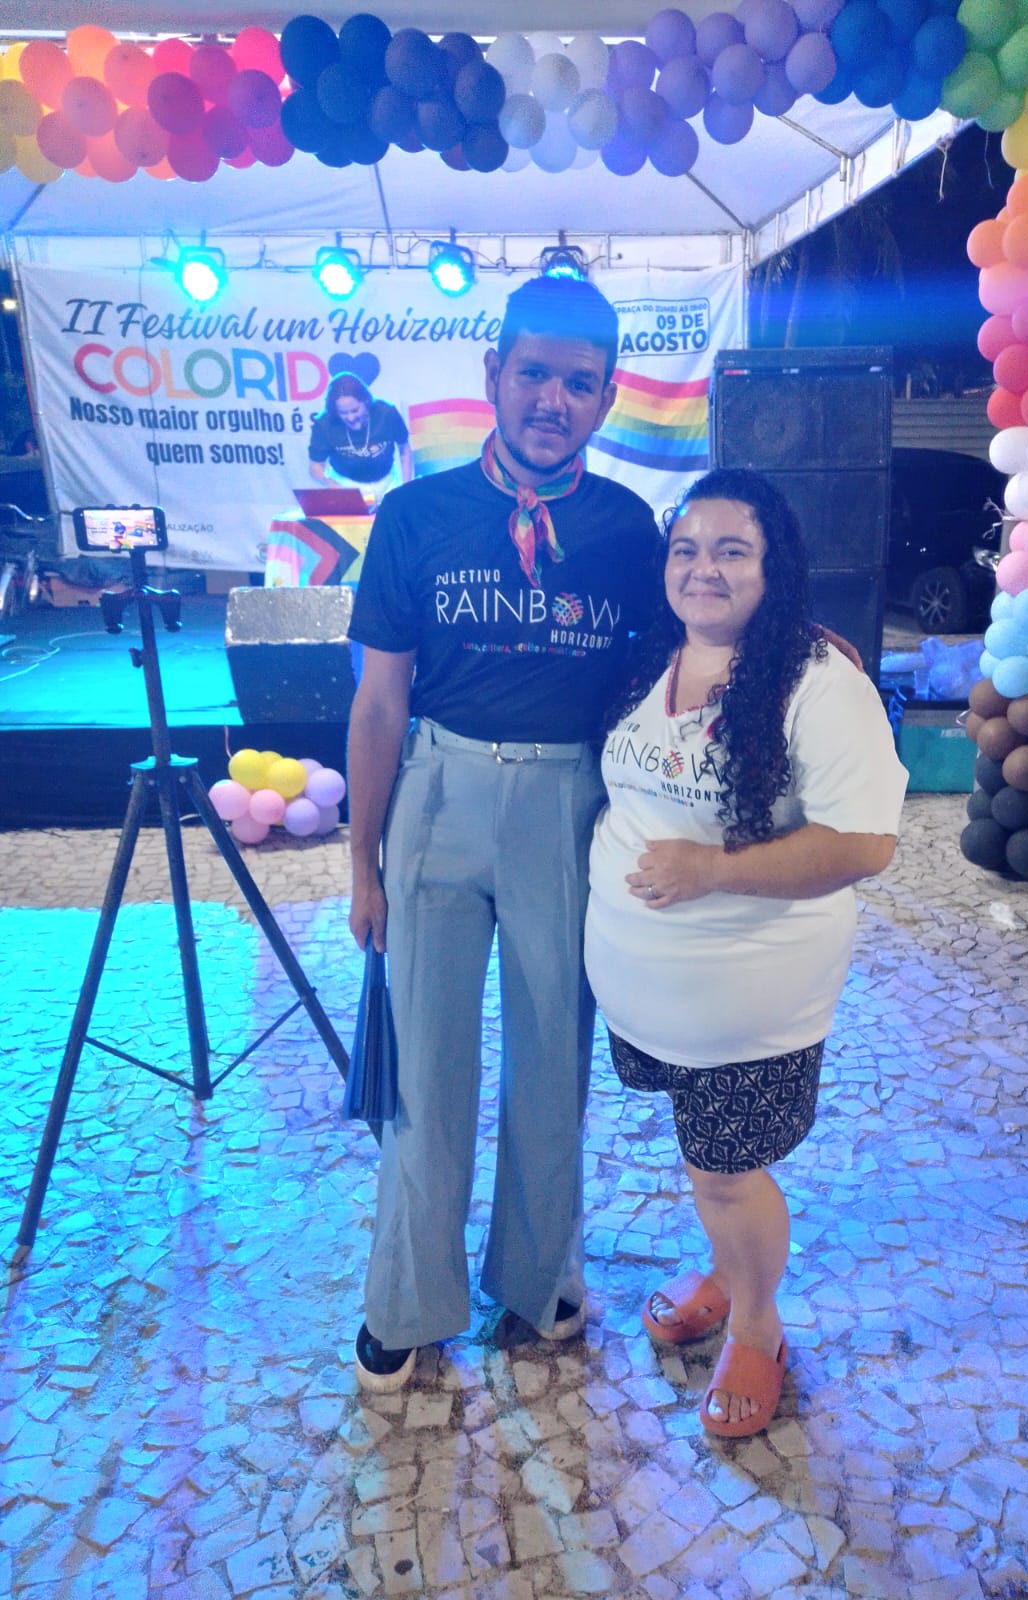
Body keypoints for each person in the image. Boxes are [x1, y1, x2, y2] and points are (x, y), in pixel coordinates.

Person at [344, 276, 661, 1391]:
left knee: (552, 1057)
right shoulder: (414, 516)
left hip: (567, 808)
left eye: (579, 383)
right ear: (494, 375)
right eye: (534, 374)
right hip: (437, 797)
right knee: (425, 1069)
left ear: (607, 397)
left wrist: (804, 646)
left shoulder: (626, 529)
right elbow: (379, 702)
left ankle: (540, 1275)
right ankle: (407, 1297)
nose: (551, 400)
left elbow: (680, 660)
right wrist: (363, 862)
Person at [585, 468, 908, 1438]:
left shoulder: (819, 681)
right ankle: (727, 1273)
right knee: (703, 1157)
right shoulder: (648, 657)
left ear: (777, 567)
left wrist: (712, 870)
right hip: (646, 991)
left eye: (733, 550)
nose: (705, 569)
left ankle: (758, 1324)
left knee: (728, 1171)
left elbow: (865, 844)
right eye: (687, 549)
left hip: (749, 1003)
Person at [309, 374, 412, 495]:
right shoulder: (324, 424)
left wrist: (406, 486)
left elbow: (404, 449)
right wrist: (328, 481)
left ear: (366, 401)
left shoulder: (386, 413)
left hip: (388, 481)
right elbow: (316, 465)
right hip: (345, 484)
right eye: (343, 413)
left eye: (355, 410)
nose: (351, 418)